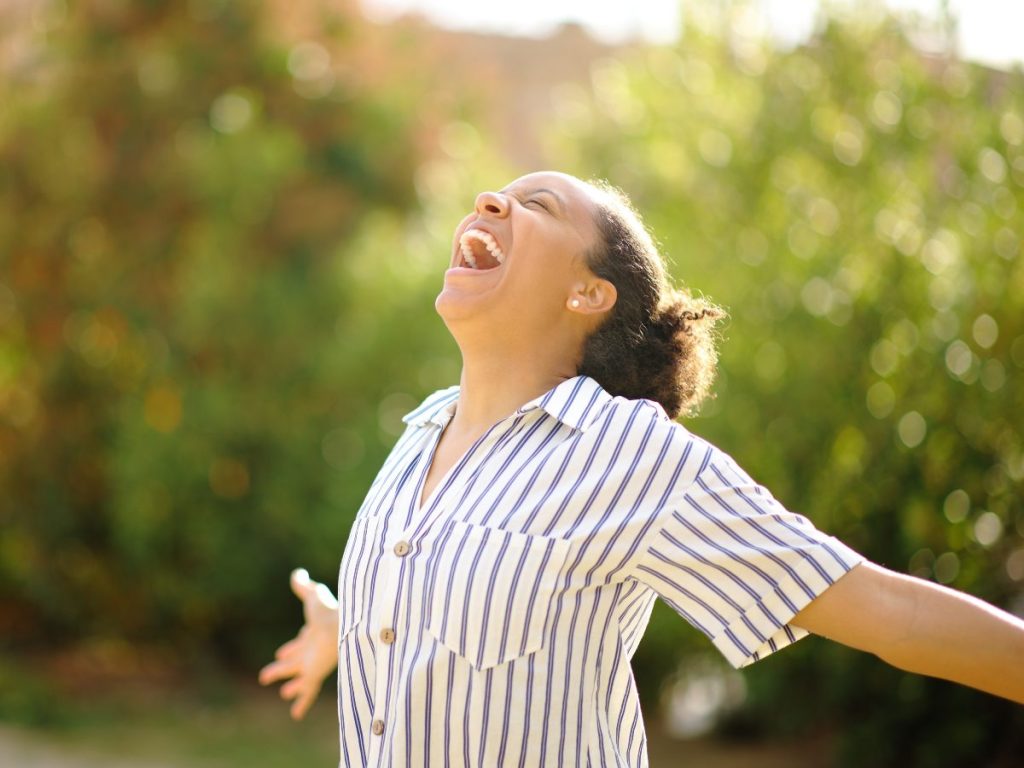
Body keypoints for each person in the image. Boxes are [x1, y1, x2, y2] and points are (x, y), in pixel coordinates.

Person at [259, 171, 1024, 766]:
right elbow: (451, 606)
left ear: (588, 292)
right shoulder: (420, 433)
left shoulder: (628, 453)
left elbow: (888, 612)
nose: (491, 200)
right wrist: (346, 626)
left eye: (539, 205)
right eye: (501, 193)